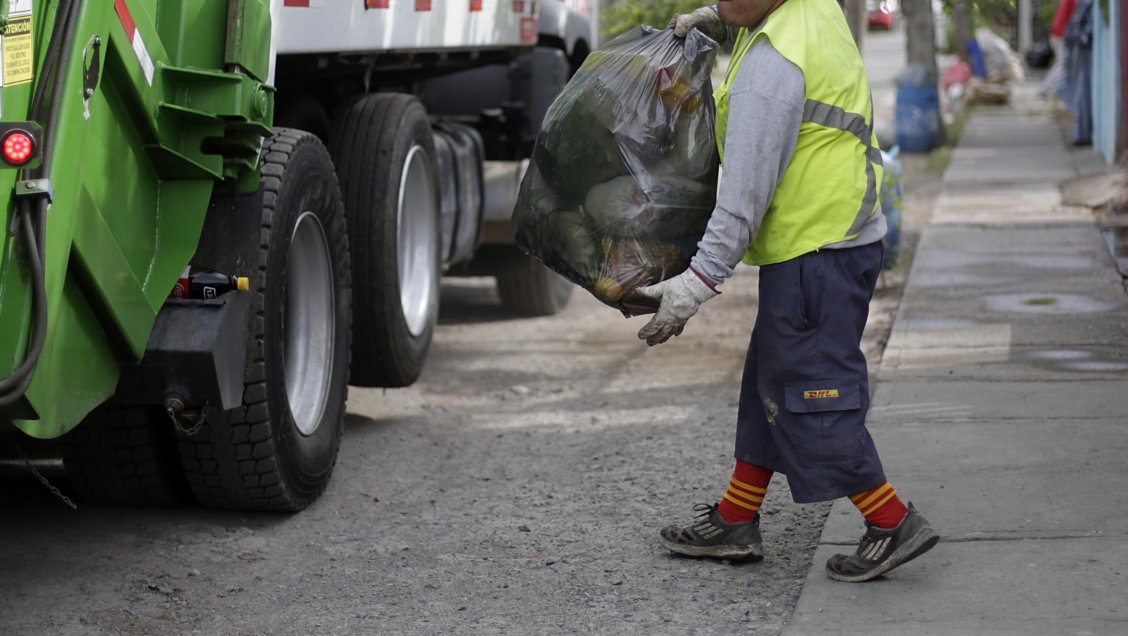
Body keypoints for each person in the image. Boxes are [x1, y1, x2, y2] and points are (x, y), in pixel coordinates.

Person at [636, 0, 938, 582]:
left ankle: (891, 520)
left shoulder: (773, 66)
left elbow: (742, 199)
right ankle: (736, 517)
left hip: (817, 250)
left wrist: (696, 284)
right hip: (832, 241)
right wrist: (722, 21)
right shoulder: (809, 14)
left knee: (813, 393)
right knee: (770, 380)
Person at [1040, 0, 1077, 100]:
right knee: (1062, 64)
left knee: (1061, 63)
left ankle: (1048, 89)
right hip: (1061, 35)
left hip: (1057, 33)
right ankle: (1046, 89)